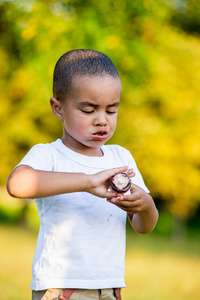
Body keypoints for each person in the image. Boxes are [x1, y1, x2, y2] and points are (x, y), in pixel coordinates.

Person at [7, 49, 158, 300]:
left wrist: (145, 206)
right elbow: (17, 184)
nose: (102, 121)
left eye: (111, 110)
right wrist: (88, 182)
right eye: (89, 110)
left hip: (110, 289)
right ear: (58, 108)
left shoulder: (121, 157)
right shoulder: (50, 155)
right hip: (61, 289)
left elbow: (143, 227)